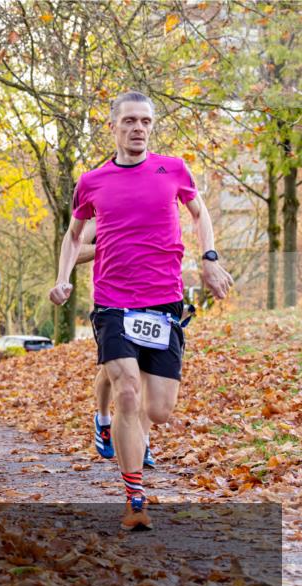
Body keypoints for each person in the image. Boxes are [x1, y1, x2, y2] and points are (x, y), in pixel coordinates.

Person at [49, 90, 233, 531]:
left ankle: (122, 436)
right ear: (113, 126)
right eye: (129, 120)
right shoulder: (92, 181)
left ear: (152, 126)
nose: (138, 128)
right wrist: (63, 277)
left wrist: (209, 259)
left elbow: (199, 212)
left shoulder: (174, 169)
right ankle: (135, 499)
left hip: (164, 302)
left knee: (160, 409)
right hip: (113, 301)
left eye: (145, 121)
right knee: (127, 391)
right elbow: (74, 236)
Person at [77, 227, 156, 468]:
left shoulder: (153, 207)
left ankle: (141, 440)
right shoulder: (100, 214)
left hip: (150, 300)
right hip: (111, 304)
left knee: (145, 372)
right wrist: (112, 245)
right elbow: (75, 250)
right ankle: (102, 418)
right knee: (112, 372)